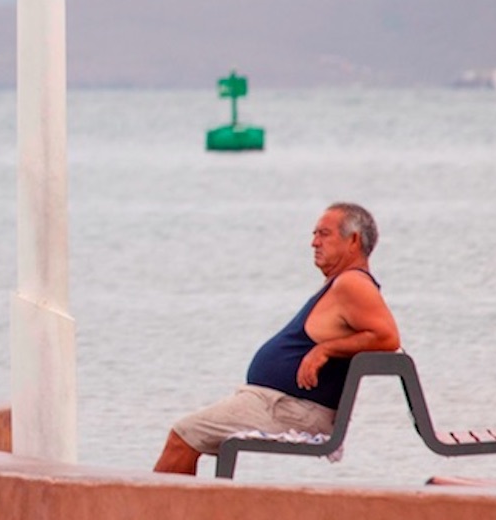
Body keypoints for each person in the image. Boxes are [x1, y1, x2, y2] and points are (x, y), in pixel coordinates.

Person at [154, 202, 401, 475]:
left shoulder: (352, 284)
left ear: (353, 240)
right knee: (187, 435)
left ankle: (164, 519)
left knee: (183, 436)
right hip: (277, 404)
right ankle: (187, 516)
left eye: (323, 234)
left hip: (290, 409)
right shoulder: (343, 283)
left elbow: (387, 337)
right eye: (314, 234)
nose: (313, 242)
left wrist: (325, 350)